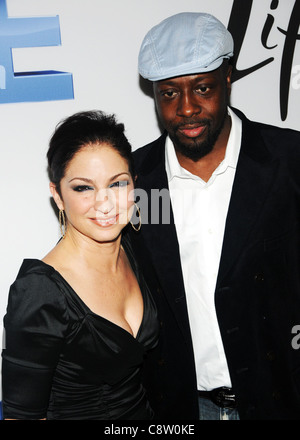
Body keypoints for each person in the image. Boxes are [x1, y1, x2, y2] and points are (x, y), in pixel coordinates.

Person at [131, 12, 300, 420]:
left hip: (286, 397)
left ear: (228, 79)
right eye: (169, 94)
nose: (187, 108)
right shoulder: (136, 181)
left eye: (202, 88)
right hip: (184, 408)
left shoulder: (290, 162)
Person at [2, 110, 159, 420]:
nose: (104, 203)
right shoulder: (39, 293)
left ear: (134, 185)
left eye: (117, 184)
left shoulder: (136, 251)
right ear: (58, 196)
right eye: (83, 188)